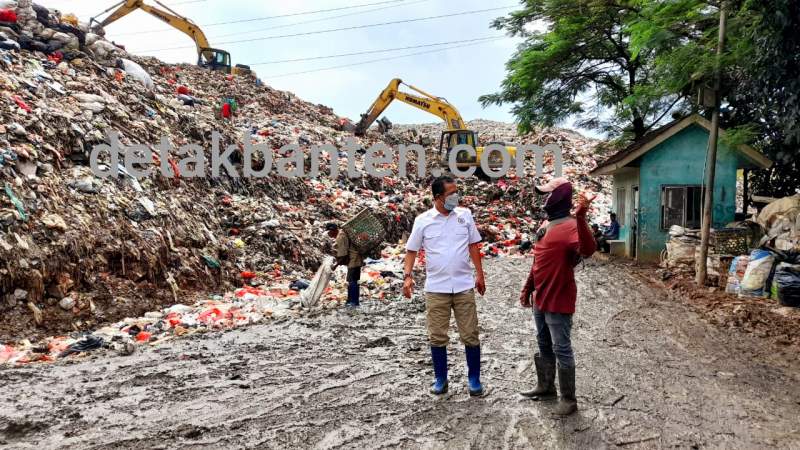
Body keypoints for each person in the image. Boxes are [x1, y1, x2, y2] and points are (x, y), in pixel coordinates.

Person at [519, 177, 596, 416]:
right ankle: (545, 386)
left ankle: (568, 399)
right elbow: (537, 260)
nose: (545, 199)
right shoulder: (546, 224)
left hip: (559, 298)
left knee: (561, 348)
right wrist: (527, 287)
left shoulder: (573, 225)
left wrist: (581, 217)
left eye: (548, 194)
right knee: (543, 343)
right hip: (540, 298)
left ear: (560, 196)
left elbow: (588, 250)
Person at [402, 176, 487, 396]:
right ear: (439, 197)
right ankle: (441, 379)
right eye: (451, 193)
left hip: (463, 285)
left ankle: (474, 379)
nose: (456, 196)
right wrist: (407, 276)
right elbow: (412, 250)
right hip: (436, 288)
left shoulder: (465, 216)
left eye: (456, 191)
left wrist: (480, 274)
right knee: (437, 336)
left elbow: (473, 246)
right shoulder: (423, 220)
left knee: (470, 334)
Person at [325, 222, 363, 308]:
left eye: (329, 232)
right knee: (353, 280)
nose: (329, 235)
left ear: (333, 230)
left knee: (352, 281)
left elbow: (343, 255)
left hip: (354, 260)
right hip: (356, 258)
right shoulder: (343, 233)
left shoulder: (340, 237)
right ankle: (351, 300)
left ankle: (353, 302)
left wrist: (335, 265)